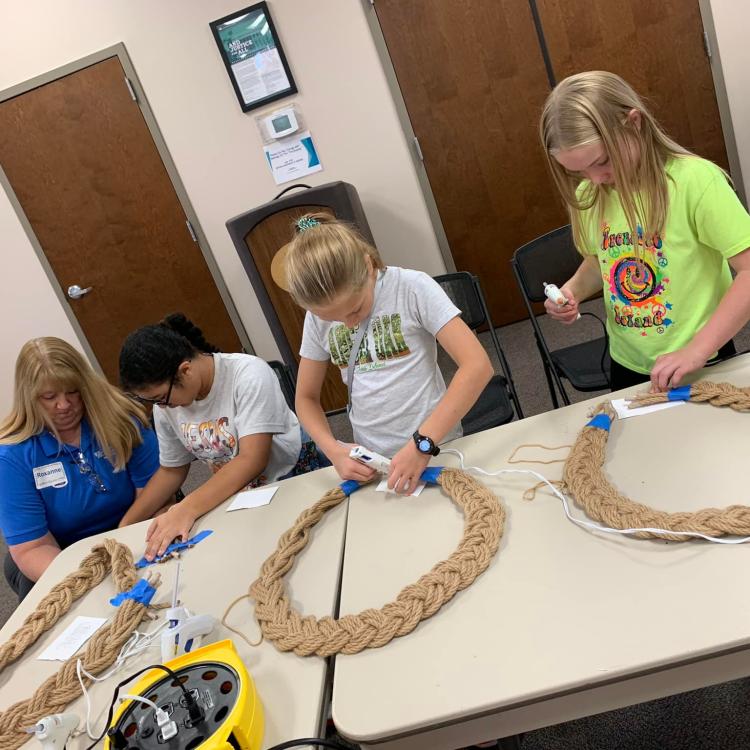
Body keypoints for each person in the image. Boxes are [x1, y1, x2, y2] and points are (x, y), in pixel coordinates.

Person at [539, 70, 750, 392]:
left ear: (634, 123)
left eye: (603, 161)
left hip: (702, 357)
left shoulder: (695, 182)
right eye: (579, 171)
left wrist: (697, 350)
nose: (595, 178)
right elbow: (603, 260)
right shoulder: (590, 195)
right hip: (627, 360)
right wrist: (572, 291)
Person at [279, 212, 493, 495]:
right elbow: (305, 398)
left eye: (354, 310)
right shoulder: (317, 318)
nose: (348, 323)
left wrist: (422, 443)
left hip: (435, 444)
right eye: (333, 319)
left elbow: (477, 366)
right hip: (375, 462)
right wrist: (333, 450)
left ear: (368, 266)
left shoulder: (411, 287)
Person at [118, 313, 324, 561]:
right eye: (150, 401)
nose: (161, 407)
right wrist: (124, 527)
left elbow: (252, 459)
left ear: (186, 371)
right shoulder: (168, 406)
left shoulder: (248, 374)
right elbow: (172, 471)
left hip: (292, 477)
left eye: (160, 398)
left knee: (307, 553)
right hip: (237, 492)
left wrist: (186, 508)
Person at [0, 338, 160, 600]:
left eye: (72, 392)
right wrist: (92, 579)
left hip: (134, 526)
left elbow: (156, 494)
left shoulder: (122, 420)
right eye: (49, 397)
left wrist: (133, 547)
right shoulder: (12, 457)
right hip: (63, 552)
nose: (63, 406)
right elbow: (33, 547)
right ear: (29, 398)